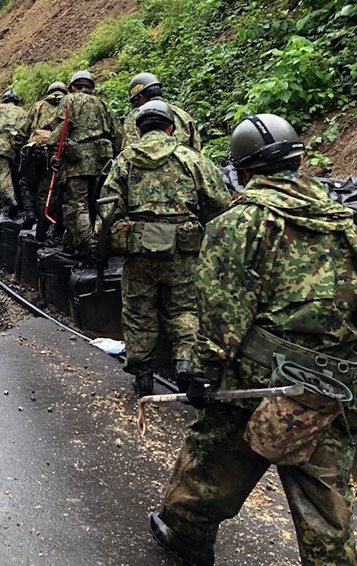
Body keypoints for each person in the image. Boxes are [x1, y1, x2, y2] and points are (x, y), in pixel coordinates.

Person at [150, 113, 357, 566]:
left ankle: (187, 536)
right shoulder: (347, 229)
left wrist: (202, 374)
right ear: (298, 160)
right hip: (329, 388)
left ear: (245, 171)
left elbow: (221, 315)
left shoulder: (240, 225)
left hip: (253, 383)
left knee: (210, 460)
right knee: (326, 506)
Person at [98, 101, 230, 396]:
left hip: (139, 250)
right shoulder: (191, 158)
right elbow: (221, 202)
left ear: (139, 129)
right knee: (184, 308)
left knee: (138, 312)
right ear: (171, 127)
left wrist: (104, 242)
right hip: (183, 251)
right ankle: (185, 363)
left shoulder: (124, 160)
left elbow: (108, 210)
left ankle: (143, 377)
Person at [48, 70, 122, 251]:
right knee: (95, 202)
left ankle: (91, 247)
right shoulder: (104, 104)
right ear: (92, 88)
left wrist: (52, 154)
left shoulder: (69, 100)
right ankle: (89, 241)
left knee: (76, 204)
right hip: (103, 162)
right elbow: (117, 134)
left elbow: (60, 130)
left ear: (73, 87)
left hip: (77, 162)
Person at [17, 81, 68, 239]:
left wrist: (18, 147)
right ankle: (42, 231)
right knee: (46, 193)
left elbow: (24, 129)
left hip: (34, 151)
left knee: (25, 182)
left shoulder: (38, 105)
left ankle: (30, 213)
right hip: (53, 153)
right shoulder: (68, 105)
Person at [122, 73, 201, 150]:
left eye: (136, 101)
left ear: (141, 97)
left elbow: (127, 152)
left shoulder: (133, 118)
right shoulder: (183, 115)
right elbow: (196, 149)